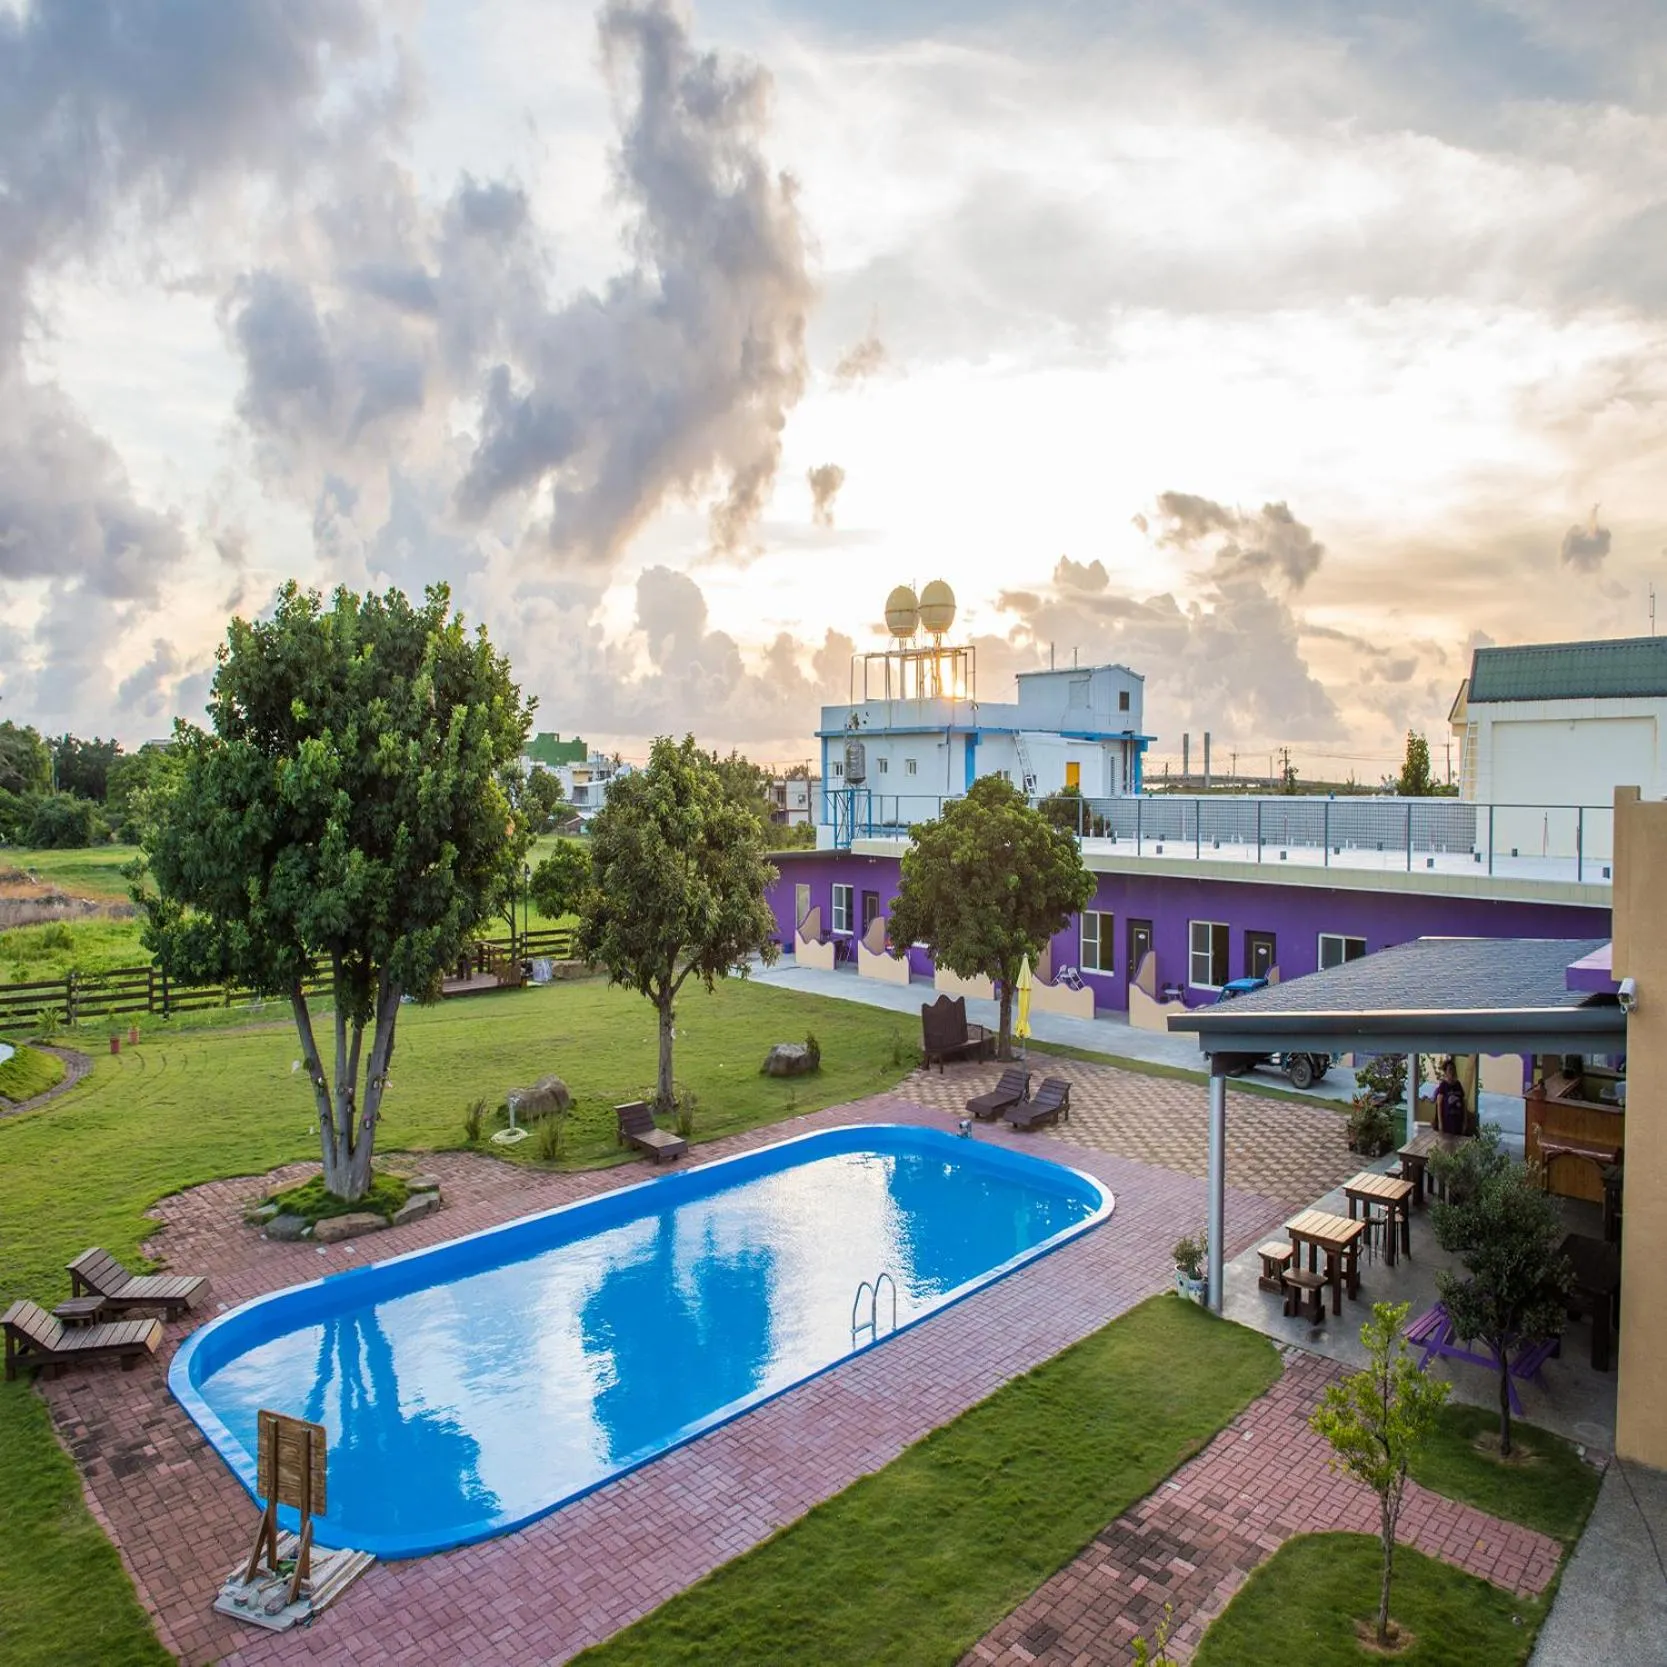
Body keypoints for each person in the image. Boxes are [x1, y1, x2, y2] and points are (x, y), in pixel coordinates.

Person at [1433, 1057, 1467, 1135]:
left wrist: (1465, 1122)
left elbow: (1463, 1104)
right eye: (1450, 1069)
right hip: (1447, 1123)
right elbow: (1439, 1105)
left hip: (1458, 1122)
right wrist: (1440, 1124)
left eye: (1453, 1069)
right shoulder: (1443, 1085)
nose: (1452, 1072)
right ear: (1445, 1072)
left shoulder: (1458, 1084)